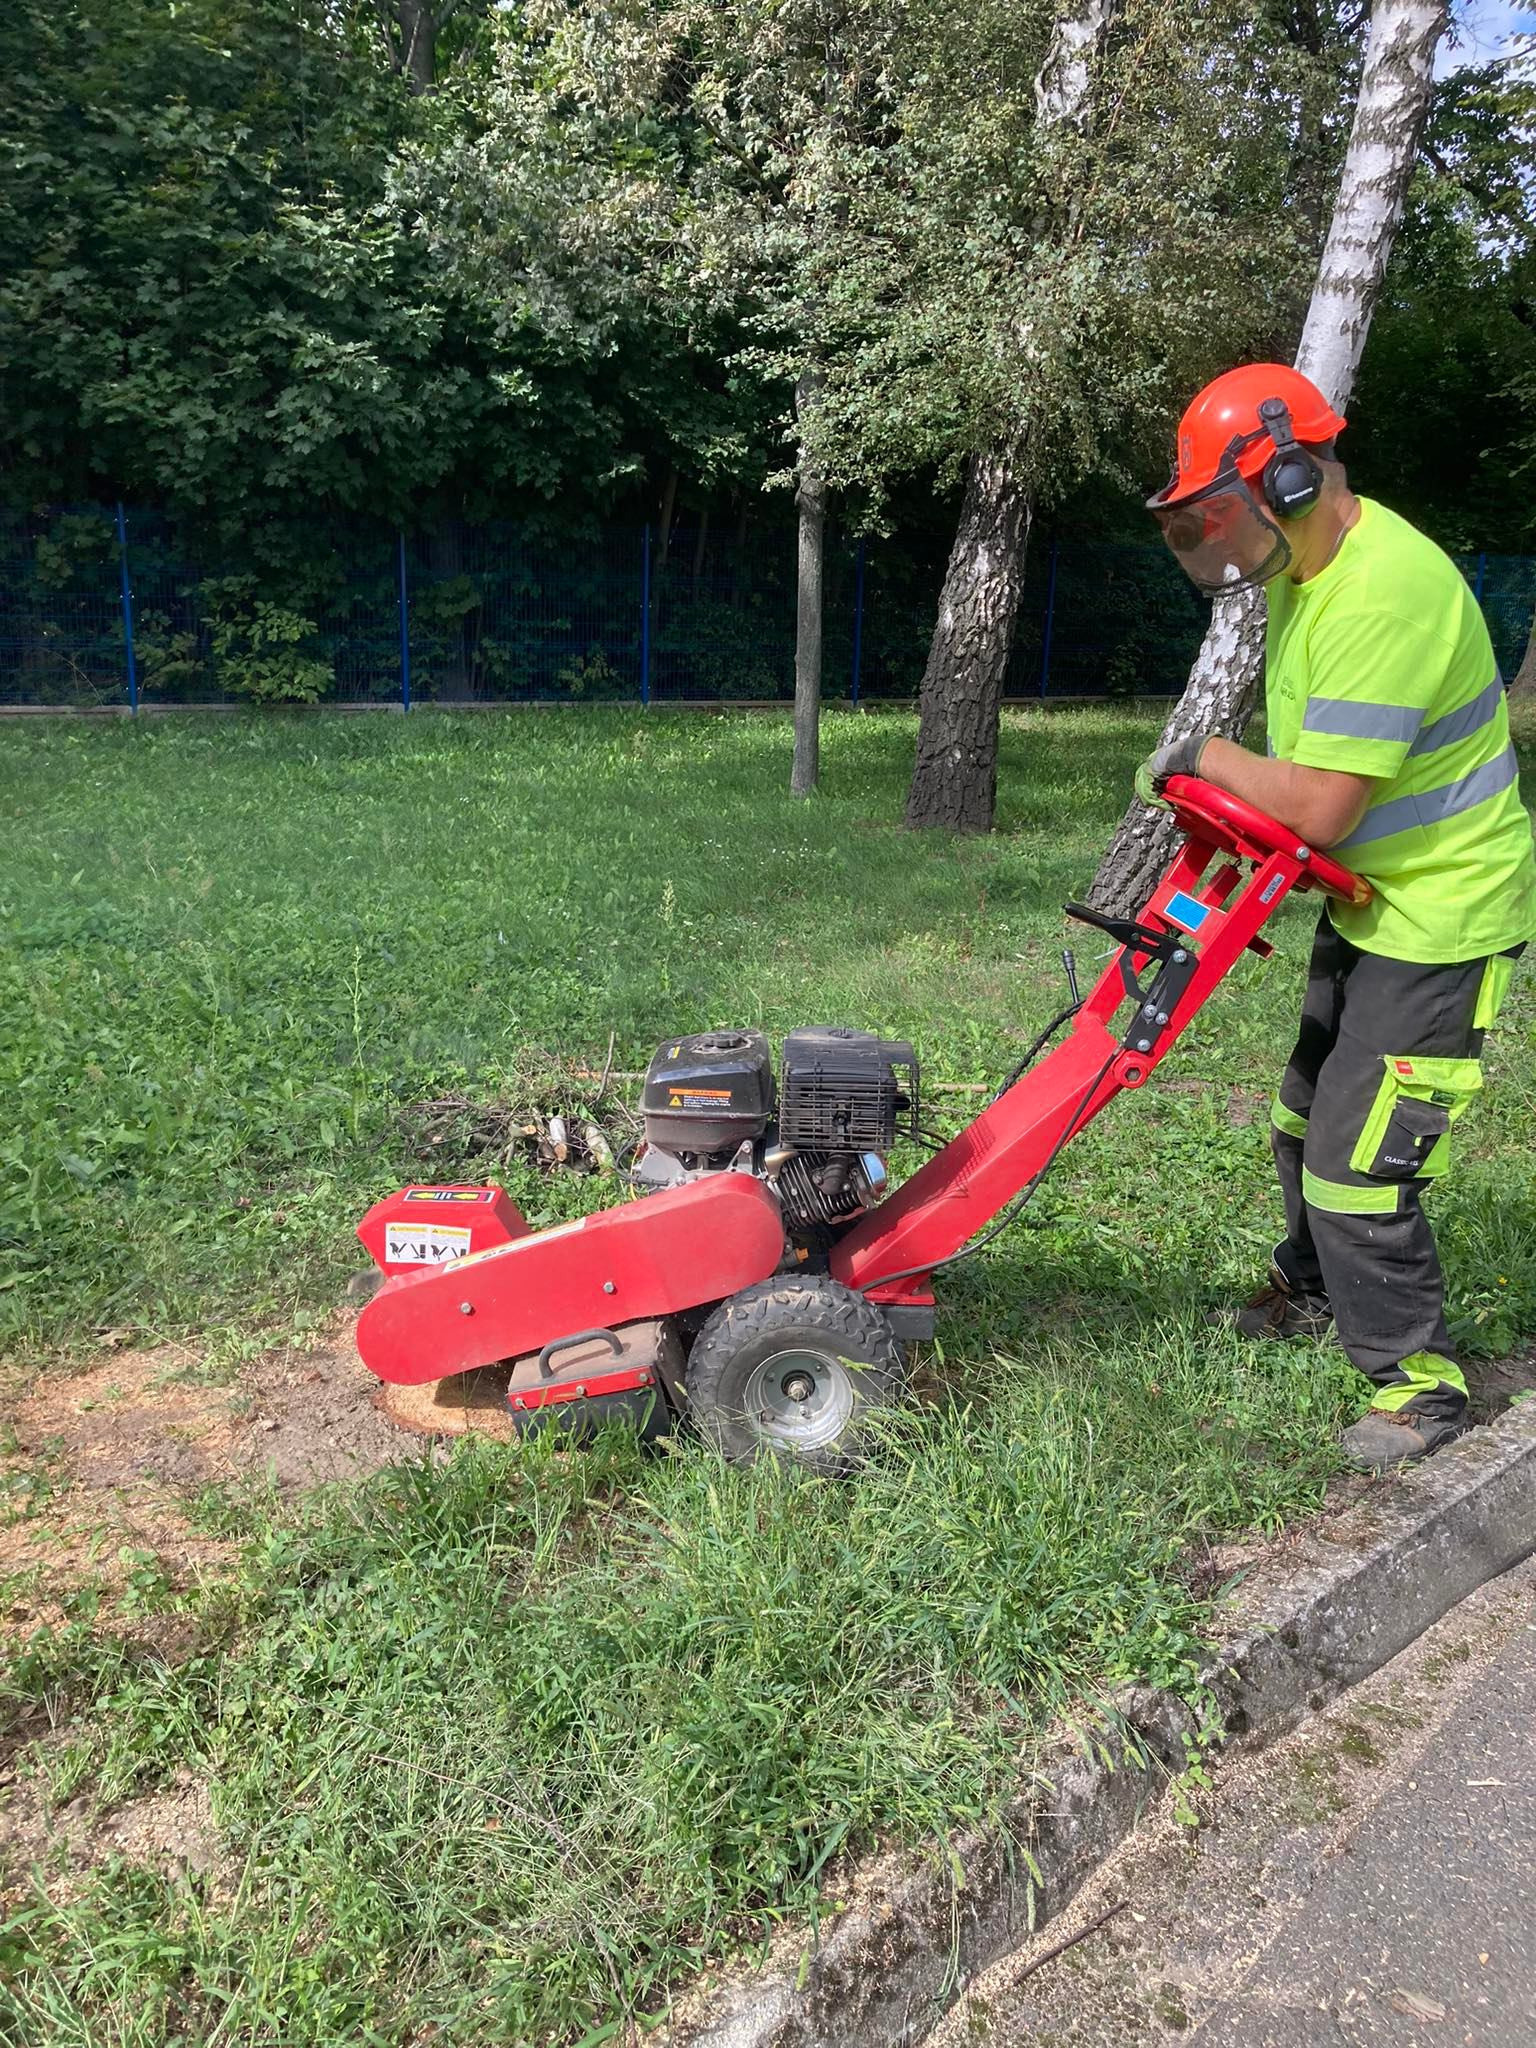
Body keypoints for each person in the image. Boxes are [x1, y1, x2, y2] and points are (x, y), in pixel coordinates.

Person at [1140, 362, 1534, 1471]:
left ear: (1294, 478)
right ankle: (1317, 1287)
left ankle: (1421, 1383)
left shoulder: (1381, 592)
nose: (1216, 541)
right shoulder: (1302, 571)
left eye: (1222, 513)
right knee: (1303, 1112)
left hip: (1444, 913)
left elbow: (1320, 796)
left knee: (1359, 1158)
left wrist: (1201, 754)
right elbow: (1323, 781)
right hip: (1376, 889)